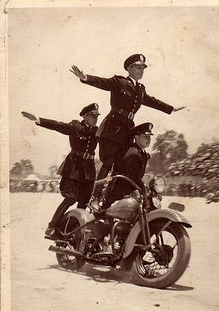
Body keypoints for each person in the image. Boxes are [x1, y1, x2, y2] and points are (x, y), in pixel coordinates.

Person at [70, 54, 186, 207]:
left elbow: (152, 101)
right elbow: (102, 83)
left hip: (127, 131)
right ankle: (94, 198)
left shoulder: (140, 89)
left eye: (143, 68)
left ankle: (111, 201)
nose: (141, 70)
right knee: (108, 163)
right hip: (112, 129)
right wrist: (84, 77)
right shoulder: (119, 82)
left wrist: (171, 108)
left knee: (122, 166)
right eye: (138, 67)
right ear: (129, 68)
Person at [21, 103, 100, 239]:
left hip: (88, 170)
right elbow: (57, 125)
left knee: (84, 203)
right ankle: (51, 226)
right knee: (70, 198)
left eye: (97, 116)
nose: (96, 119)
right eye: (93, 116)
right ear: (85, 116)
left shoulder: (97, 131)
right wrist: (38, 119)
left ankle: (73, 232)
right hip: (74, 169)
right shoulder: (75, 127)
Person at [105, 122, 154, 207]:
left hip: (132, 193)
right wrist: (145, 189)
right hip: (121, 194)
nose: (148, 139)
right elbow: (133, 177)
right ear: (137, 137)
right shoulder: (133, 153)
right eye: (146, 137)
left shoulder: (141, 153)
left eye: (149, 137)